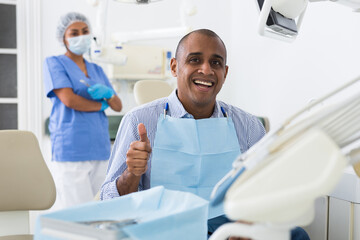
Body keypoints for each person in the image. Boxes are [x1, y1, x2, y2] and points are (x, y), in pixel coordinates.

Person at [101, 29, 309, 240]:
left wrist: (248, 222)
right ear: (175, 67)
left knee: (296, 235)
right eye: (195, 60)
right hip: (164, 231)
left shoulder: (247, 126)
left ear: (225, 73)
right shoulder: (139, 121)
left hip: (228, 232)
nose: (206, 70)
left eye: (216, 63)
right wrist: (132, 174)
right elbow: (108, 204)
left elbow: (269, 189)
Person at [43, 12, 122, 210]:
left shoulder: (96, 69)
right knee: (78, 214)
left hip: (99, 147)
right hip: (71, 147)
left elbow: (118, 105)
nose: (81, 36)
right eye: (74, 32)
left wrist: (110, 95)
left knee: (103, 211)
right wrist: (102, 105)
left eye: (85, 31)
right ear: (64, 37)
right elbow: (69, 100)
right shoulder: (54, 63)